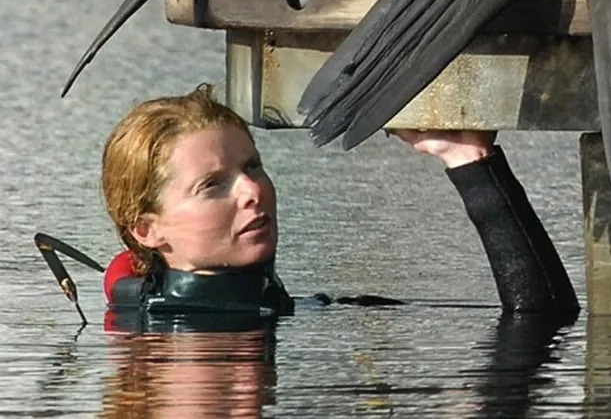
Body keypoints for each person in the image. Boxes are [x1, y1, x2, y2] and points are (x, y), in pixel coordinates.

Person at [97, 83, 578, 328]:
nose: (253, 191)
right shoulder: (151, 337)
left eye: (254, 166)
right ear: (147, 230)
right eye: (212, 185)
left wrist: (469, 161)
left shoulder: (306, 312)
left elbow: (545, 323)